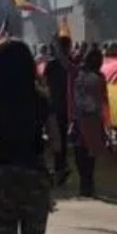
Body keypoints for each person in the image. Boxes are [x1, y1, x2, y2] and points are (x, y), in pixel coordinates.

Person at [0, 39, 62, 234]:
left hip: (1, 178)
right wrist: (39, 145)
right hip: (35, 178)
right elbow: (56, 142)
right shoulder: (41, 99)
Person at [72, 46, 107, 197]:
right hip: (93, 118)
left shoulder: (78, 75)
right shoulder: (99, 77)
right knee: (90, 153)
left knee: (80, 152)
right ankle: (88, 182)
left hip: (80, 118)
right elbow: (102, 100)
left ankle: (84, 182)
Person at [42, 34, 74, 186]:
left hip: (54, 106)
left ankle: (59, 168)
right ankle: (60, 167)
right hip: (65, 106)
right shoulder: (70, 64)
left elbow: (45, 84)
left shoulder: (52, 65)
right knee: (60, 138)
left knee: (55, 138)